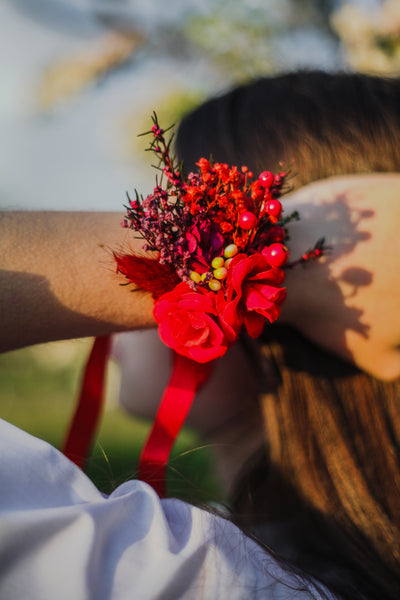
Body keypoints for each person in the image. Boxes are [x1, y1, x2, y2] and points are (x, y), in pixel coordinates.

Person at [0, 71, 399, 599]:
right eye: (180, 214)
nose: (118, 313)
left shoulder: (206, 580)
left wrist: (276, 246)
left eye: (186, 210)